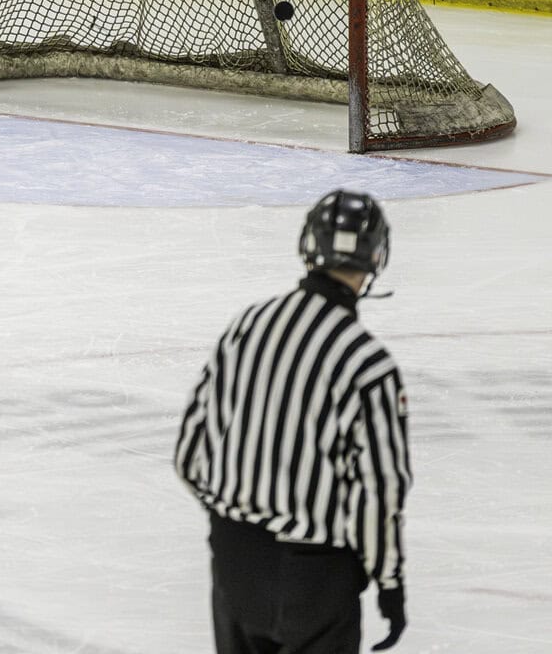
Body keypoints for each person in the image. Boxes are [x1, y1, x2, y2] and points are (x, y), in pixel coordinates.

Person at [174, 189, 412, 654]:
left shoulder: (248, 324)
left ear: (309, 245)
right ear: (376, 257)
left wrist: (236, 527)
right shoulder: (368, 363)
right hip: (316, 578)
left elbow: (190, 452)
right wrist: (389, 580)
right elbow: (380, 489)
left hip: (234, 563)